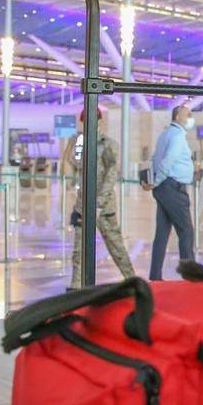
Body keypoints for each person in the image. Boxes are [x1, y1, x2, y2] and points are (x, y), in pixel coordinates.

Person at [69, 108, 136, 288]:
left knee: (116, 247)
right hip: (82, 205)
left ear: (99, 122)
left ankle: (132, 280)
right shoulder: (80, 142)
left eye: (91, 120)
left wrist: (99, 203)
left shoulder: (108, 145)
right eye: (84, 121)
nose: (87, 124)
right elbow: (73, 162)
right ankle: (76, 287)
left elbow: (111, 175)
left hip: (103, 206)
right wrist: (77, 142)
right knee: (79, 251)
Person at [148, 103, 196, 279]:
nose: (191, 117)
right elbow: (168, 161)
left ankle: (155, 275)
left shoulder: (165, 134)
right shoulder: (177, 136)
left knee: (161, 234)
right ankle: (190, 275)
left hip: (164, 189)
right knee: (186, 231)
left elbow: (154, 158)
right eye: (188, 114)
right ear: (177, 117)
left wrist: (155, 181)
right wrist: (158, 180)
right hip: (173, 188)